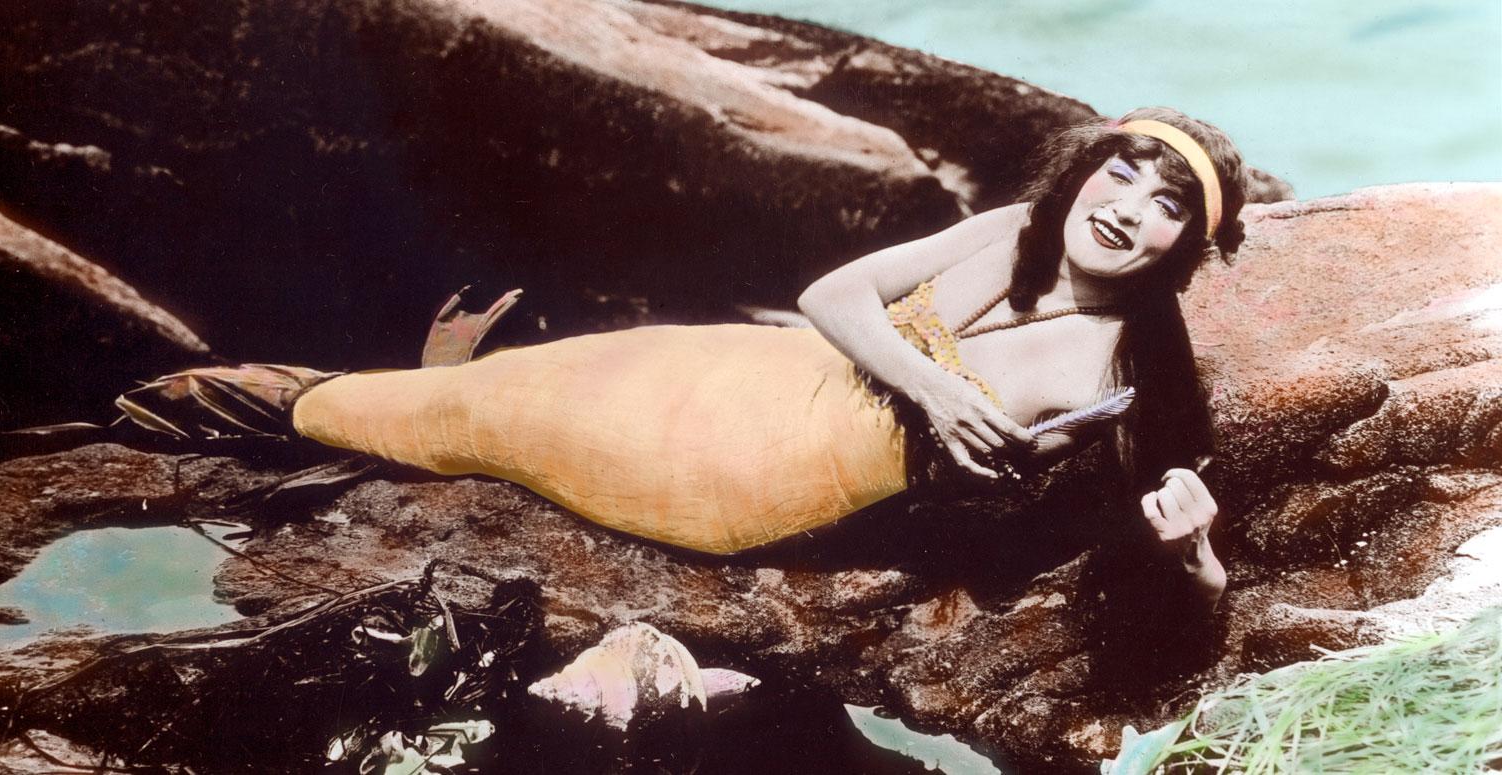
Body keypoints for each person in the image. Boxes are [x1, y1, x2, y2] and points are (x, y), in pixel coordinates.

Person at [136, 107, 1244, 608]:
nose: (1124, 210)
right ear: (1085, 169)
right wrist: (940, 385)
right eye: (1120, 174)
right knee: (563, 366)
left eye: (1164, 207)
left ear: (1184, 248)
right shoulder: (1012, 226)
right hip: (766, 367)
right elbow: (829, 294)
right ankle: (438, 378)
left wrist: (1192, 557)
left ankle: (267, 406)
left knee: (469, 422)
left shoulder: (1115, 375)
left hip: (756, 471)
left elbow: (1169, 556)